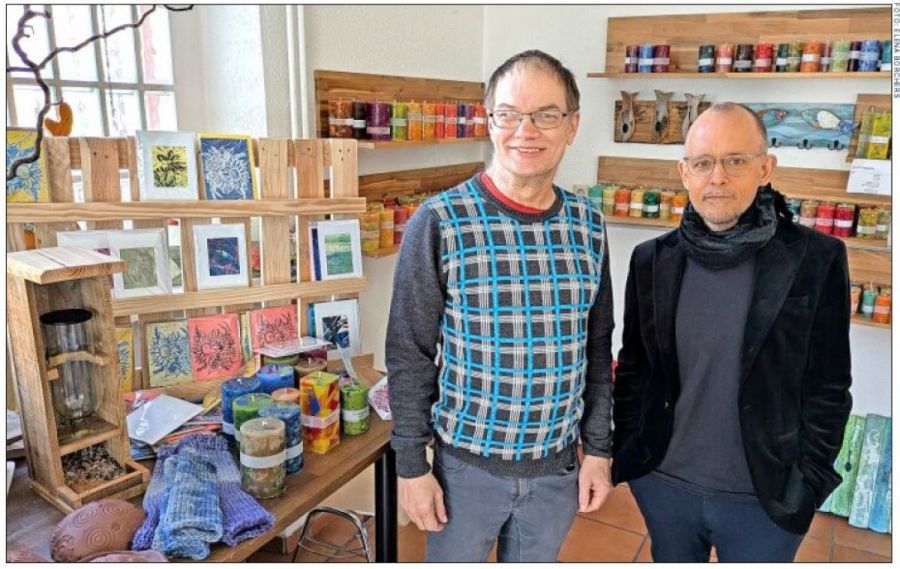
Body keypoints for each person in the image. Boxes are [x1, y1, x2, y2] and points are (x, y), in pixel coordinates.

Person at [385, 50, 615, 563]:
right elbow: (408, 352)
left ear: (572, 125)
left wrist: (598, 449)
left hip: (556, 473)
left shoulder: (588, 225)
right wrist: (411, 466)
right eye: (508, 114)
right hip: (463, 473)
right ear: (489, 121)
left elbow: (597, 349)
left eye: (546, 115)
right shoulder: (440, 221)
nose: (525, 131)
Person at [611, 102, 853, 562]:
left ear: (766, 168)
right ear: (685, 173)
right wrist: (631, 454)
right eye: (703, 163)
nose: (717, 178)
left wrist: (807, 483)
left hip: (763, 499)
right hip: (664, 486)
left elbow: (829, 385)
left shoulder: (816, 259)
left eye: (735, 160)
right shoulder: (651, 260)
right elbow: (635, 369)